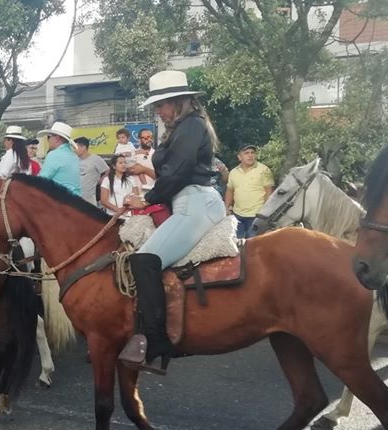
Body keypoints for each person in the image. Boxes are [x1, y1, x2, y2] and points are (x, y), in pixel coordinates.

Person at [119, 70, 225, 375]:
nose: (158, 112)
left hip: (194, 203)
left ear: (178, 102)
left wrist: (147, 199)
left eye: (161, 105)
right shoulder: (181, 128)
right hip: (184, 201)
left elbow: (178, 172)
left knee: (143, 260)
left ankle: (157, 340)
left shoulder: (192, 126)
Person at [225, 144, 274, 238]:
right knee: (236, 244)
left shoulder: (264, 170)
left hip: (256, 215)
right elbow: (230, 190)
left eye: (252, 153)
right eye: (246, 153)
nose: (250, 155)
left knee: (253, 244)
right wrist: (226, 207)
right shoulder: (233, 172)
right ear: (239, 157)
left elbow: (269, 191)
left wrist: (265, 211)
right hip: (237, 215)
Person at [36, 122, 80, 196]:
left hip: (59, 201)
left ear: (57, 138)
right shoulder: (74, 156)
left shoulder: (54, 155)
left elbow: (42, 180)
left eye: (49, 137)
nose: (48, 140)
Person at [74, 136, 109, 205]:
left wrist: (101, 180)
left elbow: (107, 170)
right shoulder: (75, 160)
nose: (74, 150)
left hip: (89, 199)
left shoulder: (96, 159)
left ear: (83, 147)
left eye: (75, 147)